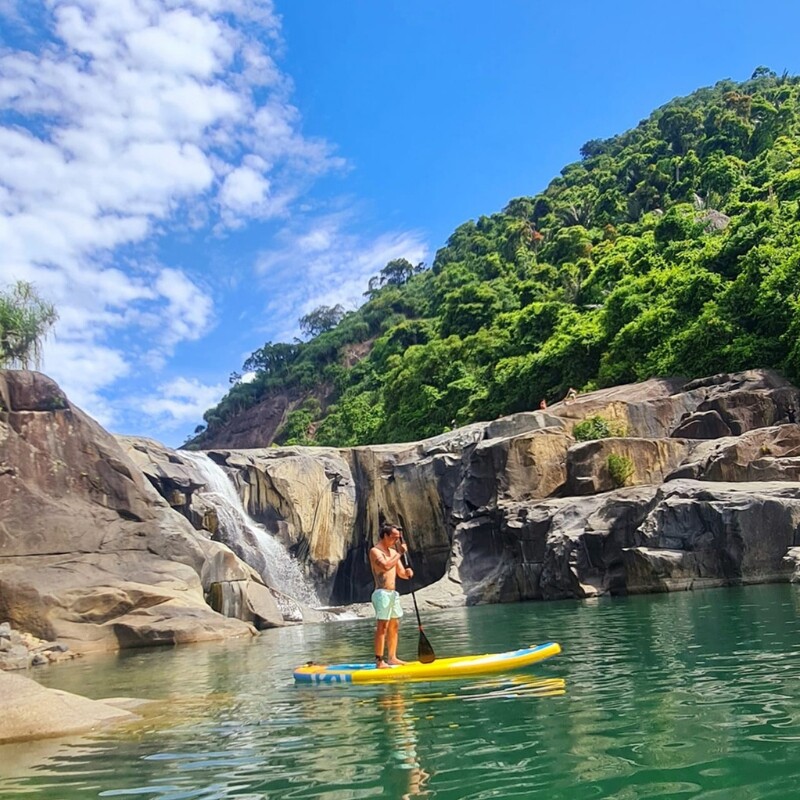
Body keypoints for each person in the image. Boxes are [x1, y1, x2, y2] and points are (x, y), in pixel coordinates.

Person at [370, 522, 414, 668]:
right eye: (394, 537)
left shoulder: (394, 553)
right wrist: (401, 553)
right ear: (385, 535)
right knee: (383, 626)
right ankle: (379, 660)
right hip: (381, 593)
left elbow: (400, 573)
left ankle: (392, 657)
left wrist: (407, 573)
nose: (396, 541)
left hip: (393, 593)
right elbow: (386, 566)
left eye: (398, 538)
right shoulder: (375, 551)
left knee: (394, 625)